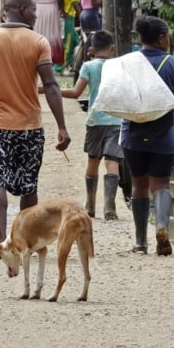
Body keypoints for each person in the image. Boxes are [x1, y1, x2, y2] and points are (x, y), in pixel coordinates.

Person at [0, 0, 71, 243]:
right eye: (33, 10)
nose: (36, 14)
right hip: (31, 129)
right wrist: (62, 127)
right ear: (22, 10)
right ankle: (23, 240)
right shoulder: (38, 42)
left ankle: (3, 242)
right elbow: (51, 85)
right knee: (28, 187)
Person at [120, 16, 174, 256]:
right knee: (161, 183)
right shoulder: (173, 63)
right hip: (163, 133)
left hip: (132, 132)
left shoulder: (127, 62)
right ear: (161, 39)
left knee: (139, 184)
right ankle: (161, 227)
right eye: (167, 36)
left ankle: (140, 242)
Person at [58, 30, 124, 219]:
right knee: (112, 161)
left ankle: (90, 205)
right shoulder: (118, 66)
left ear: (91, 50)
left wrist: (52, 89)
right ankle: (110, 206)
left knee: (93, 161)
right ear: (112, 48)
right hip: (116, 120)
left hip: (95, 121)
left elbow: (76, 93)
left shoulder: (88, 66)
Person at [59, 0, 82, 74]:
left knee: (76, 41)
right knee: (68, 44)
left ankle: (73, 65)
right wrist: (81, 16)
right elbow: (75, 4)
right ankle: (61, 67)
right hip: (69, 18)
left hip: (63, 18)